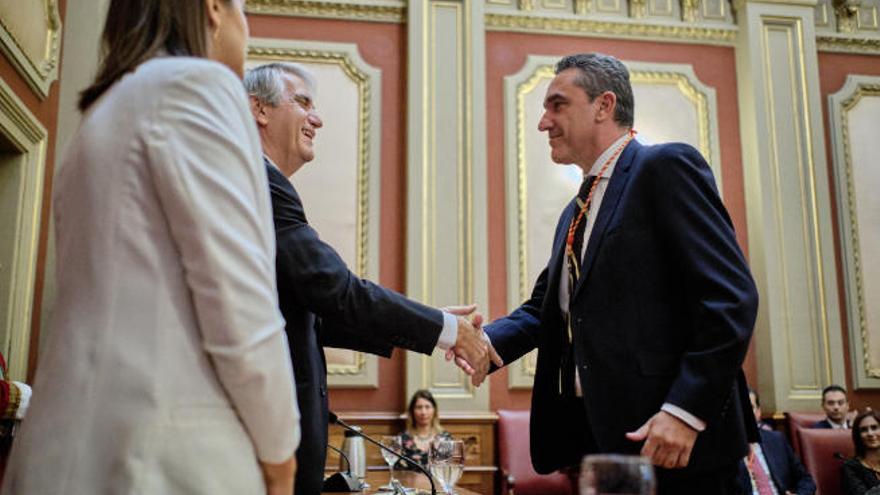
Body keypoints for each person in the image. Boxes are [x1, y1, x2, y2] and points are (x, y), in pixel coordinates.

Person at [1, 1, 300, 494]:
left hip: (63, 450)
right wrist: (280, 458)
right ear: (213, 10)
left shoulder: (102, 113)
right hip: (164, 461)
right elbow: (240, 308)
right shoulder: (198, 88)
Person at [483, 52, 759, 494]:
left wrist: (685, 411)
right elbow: (546, 310)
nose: (543, 122)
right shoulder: (577, 211)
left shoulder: (664, 167)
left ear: (603, 105)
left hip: (675, 444)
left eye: (557, 105)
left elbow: (731, 298)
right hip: (605, 445)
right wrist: (484, 343)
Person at [243, 62, 501, 495]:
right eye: (303, 102)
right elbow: (335, 291)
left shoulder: (256, 180)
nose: (317, 118)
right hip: (266, 440)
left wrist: (434, 324)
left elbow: (311, 312)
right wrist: (448, 331)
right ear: (259, 110)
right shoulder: (261, 182)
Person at [737, 389, 816, 494]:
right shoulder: (722, 450)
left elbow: (806, 480)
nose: (746, 413)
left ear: (758, 412)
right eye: (741, 407)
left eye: (750, 407)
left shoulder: (776, 440)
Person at [395, 389, 453, 469]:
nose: (423, 412)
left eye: (427, 407)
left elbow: (449, 469)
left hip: (437, 481)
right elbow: (397, 470)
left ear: (434, 410)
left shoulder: (445, 438)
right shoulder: (402, 439)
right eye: (419, 407)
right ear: (412, 411)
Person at [841, 410, 880, 494]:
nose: (870, 433)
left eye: (874, 427)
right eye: (864, 430)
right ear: (858, 435)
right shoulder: (850, 467)